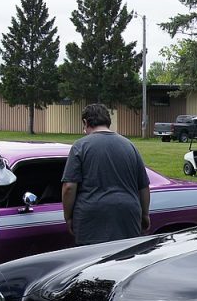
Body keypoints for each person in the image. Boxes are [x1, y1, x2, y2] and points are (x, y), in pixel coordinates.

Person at [61, 103, 150, 246]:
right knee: (125, 259)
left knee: (93, 262)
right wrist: (145, 214)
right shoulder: (130, 145)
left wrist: (68, 217)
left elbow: (69, 187)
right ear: (108, 121)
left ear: (85, 122)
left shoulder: (80, 146)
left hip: (92, 217)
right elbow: (144, 187)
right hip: (128, 215)